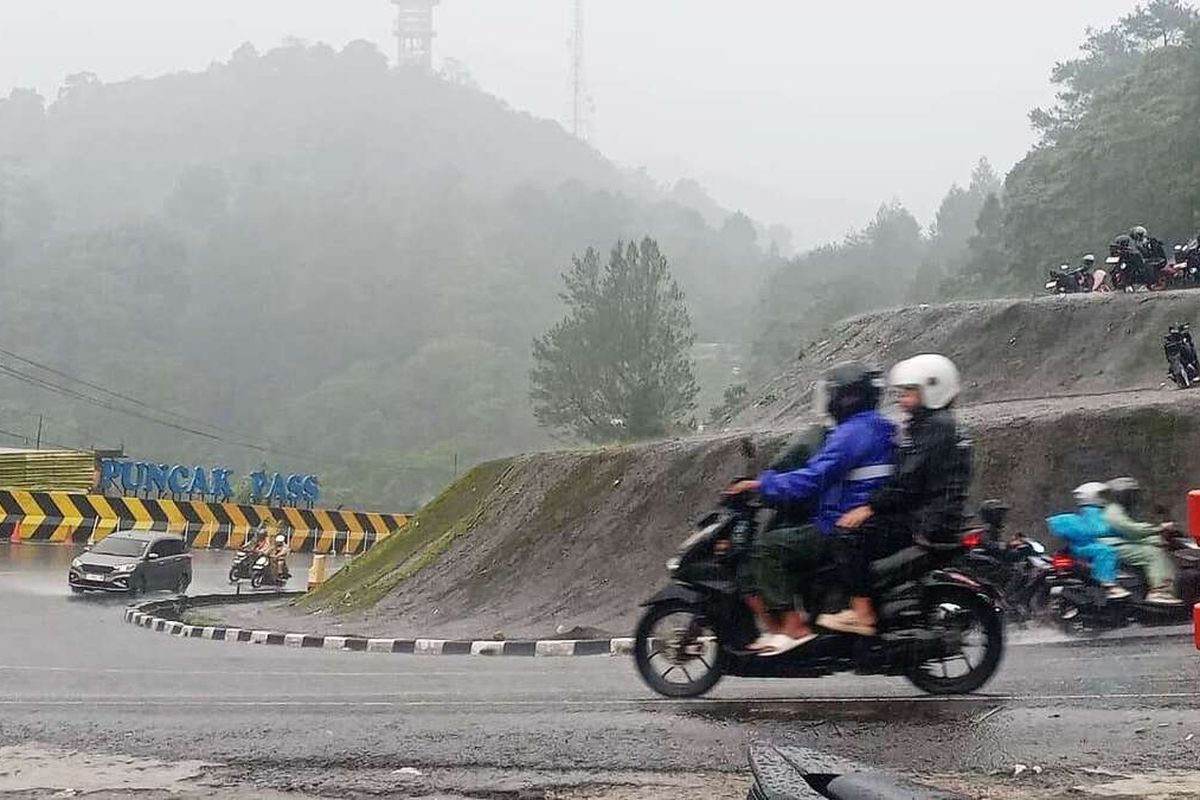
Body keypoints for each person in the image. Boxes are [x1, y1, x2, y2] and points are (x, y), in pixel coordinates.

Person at [726, 362, 895, 656]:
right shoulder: (880, 426)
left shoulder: (850, 434)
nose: (827, 400)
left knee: (769, 548)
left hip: (839, 522)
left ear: (846, 398)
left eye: (831, 394)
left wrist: (761, 485)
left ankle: (793, 626)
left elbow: (813, 478)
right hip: (864, 515)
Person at [821, 353, 972, 636]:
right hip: (935, 515)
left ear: (934, 389)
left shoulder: (936, 427)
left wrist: (869, 507)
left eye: (910, 393)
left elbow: (907, 481)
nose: (903, 400)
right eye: (902, 393)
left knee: (847, 535)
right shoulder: (940, 425)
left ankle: (861, 614)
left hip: (925, 521)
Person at [1101, 478, 1181, 605]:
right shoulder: (1113, 510)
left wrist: (1154, 537)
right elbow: (1129, 529)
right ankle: (1160, 591)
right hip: (1113, 546)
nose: (1134, 497)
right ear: (1121, 495)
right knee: (1153, 553)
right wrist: (1157, 529)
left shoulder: (1120, 510)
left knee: (1154, 546)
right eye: (1130, 494)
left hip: (1117, 543)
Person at [1046, 483, 1131, 600]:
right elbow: (1097, 529)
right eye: (1102, 494)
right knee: (1106, 551)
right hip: (1084, 547)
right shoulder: (1093, 512)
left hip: (1082, 547)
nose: (1105, 498)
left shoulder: (1093, 511)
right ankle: (1108, 585)